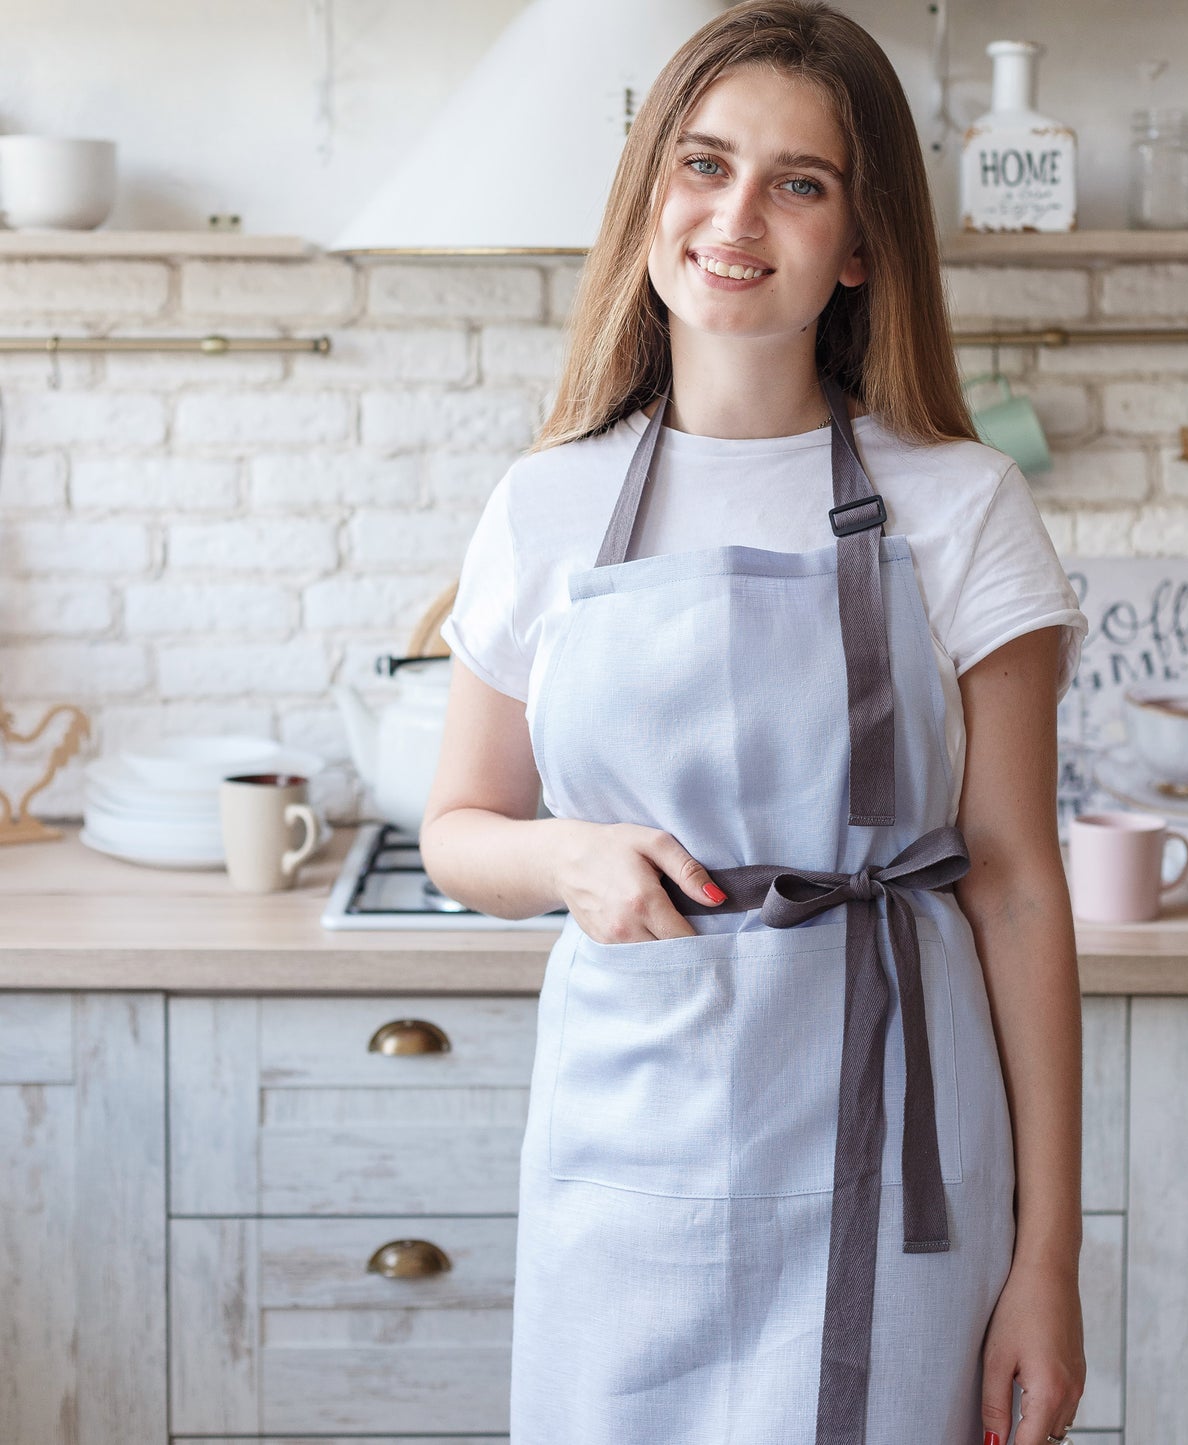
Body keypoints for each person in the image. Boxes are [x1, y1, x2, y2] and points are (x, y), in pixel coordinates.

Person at [419, 3, 1089, 1442]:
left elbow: (1018, 885)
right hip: (624, 1156)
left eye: (800, 181)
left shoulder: (960, 507)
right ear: (648, 193)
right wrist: (571, 859)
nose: (736, 216)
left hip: (900, 1149)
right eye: (703, 165)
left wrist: (1047, 1260)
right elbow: (461, 827)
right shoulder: (547, 506)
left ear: (858, 246)